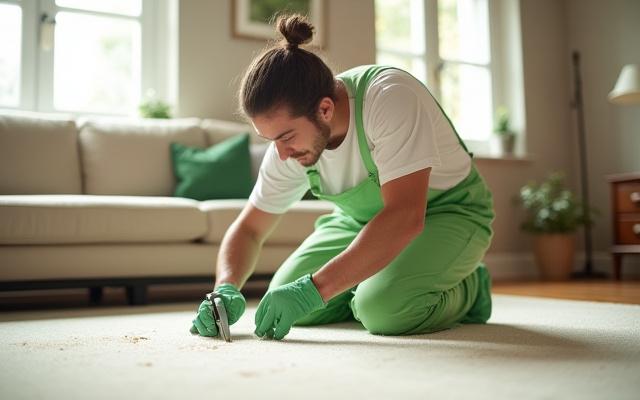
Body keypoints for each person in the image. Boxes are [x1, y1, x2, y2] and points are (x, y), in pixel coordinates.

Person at [190, 13, 495, 341]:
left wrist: (314, 291)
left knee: (382, 309)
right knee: (280, 297)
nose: (280, 154)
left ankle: (470, 287)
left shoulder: (389, 98)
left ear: (324, 109)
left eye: (286, 137)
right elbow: (249, 229)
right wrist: (225, 287)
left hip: (449, 213)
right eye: (270, 140)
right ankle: (378, 281)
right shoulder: (291, 144)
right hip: (361, 221)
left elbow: (405, 215)